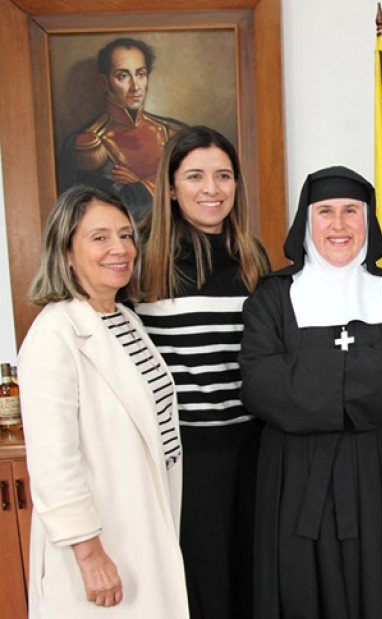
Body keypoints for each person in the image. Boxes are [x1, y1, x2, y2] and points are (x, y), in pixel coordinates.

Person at [239, 166, 382, 618]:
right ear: (306, 221)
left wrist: (309, 375)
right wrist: (367, 369)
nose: (338, 224)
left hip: (380, 469)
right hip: (295, 474)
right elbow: (260, 383)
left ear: (367, 220)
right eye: (325, 211)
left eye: (351, 211)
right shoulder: (272, 297)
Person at [18, 185, 188, 617]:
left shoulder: (123, 318)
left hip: (143, 525)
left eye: (126, 235)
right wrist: (90, 556)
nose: (120, 248)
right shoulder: (54, 334)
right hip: (99, 543)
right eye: (99, 237)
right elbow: (54, 463)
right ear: (66, 252)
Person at [135, 126, 269, 619]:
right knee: (202, 585)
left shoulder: (252, 258)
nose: (211, 189)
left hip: (255, 447)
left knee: (253, 579)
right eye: (195, 176)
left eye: (223, 176)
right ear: (170, 186)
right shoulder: (141, 259)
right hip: (186, 456)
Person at [57, 37, 187, 222]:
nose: (135, 87)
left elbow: (194, 200)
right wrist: (167, 182)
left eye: (141, 74)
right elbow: (116, 212)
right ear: (104, 82)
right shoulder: (89, 143)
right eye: (123, 76)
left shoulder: (175, 132)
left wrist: (141, 184)